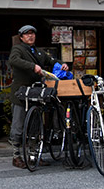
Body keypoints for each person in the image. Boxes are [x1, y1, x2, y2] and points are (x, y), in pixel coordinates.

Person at [8, 25, 69, 168]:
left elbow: (51, 61)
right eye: (27, 34)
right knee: (18, 125)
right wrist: (32, 66)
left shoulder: (39, 52)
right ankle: (16, 156)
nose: (30, 36)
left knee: (35, 125)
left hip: (36, 93)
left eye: (32, 33)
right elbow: (13, 60)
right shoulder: (18, 49)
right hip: (21, 93)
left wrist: (62, 64)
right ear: (21, 37)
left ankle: (34, 155)